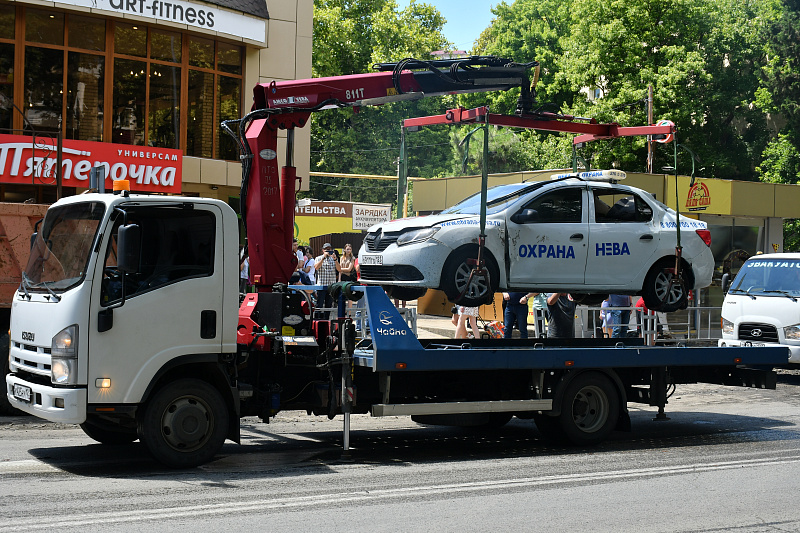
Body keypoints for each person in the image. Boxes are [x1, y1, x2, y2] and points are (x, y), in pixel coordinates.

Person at [314, 243, 341, 308]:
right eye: (326, 249)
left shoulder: (334, 259)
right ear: (323, 250)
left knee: (328, 305)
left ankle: (326, 317)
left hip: (331, 286)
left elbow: (339, 269)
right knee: (319, 304)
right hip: (321, 285)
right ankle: (318, 318)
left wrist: (335, 260)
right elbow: (316, 267)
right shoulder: (318, 258)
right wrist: (323, 258)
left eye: (329, 249)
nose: (328, 251)